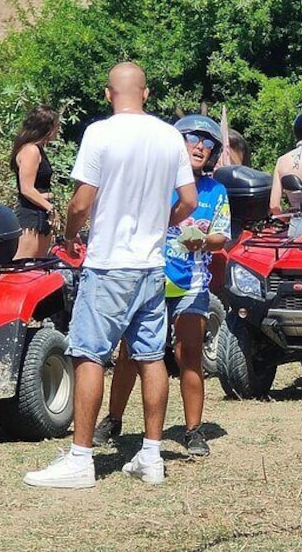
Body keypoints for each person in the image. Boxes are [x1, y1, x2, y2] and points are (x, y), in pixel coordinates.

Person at [23, 62, 198, 489]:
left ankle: (81, 459)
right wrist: (161, 224)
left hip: (108, 263)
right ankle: (152, 455)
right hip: (151, 265)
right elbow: (189, 200)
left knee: (89, 355)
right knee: (152, 356)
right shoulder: (170, 135)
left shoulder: (99, 133)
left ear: (107, 95)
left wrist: (68, 236)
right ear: (147, 93)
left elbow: (82, 202)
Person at [93, 114, 231, 457]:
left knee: (189, 354)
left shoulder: (216, 191)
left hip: (191, 282)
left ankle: (193, 430)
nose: (200, 147)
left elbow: (222, 235)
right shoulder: (154, 180)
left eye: (207, 143)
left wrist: (204, 241)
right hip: (148, 277)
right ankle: (113, 420)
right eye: (192, 140)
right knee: (129, 354)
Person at [11, 105, 61, 259]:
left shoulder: (38, 149)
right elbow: (27, 189)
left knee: (38, 266)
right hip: (31, 217)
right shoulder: (30, 150)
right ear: (48, 127)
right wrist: (50, 208)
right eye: (57, 125)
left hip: (40, 215)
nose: (58, 129)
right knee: (26, 265)